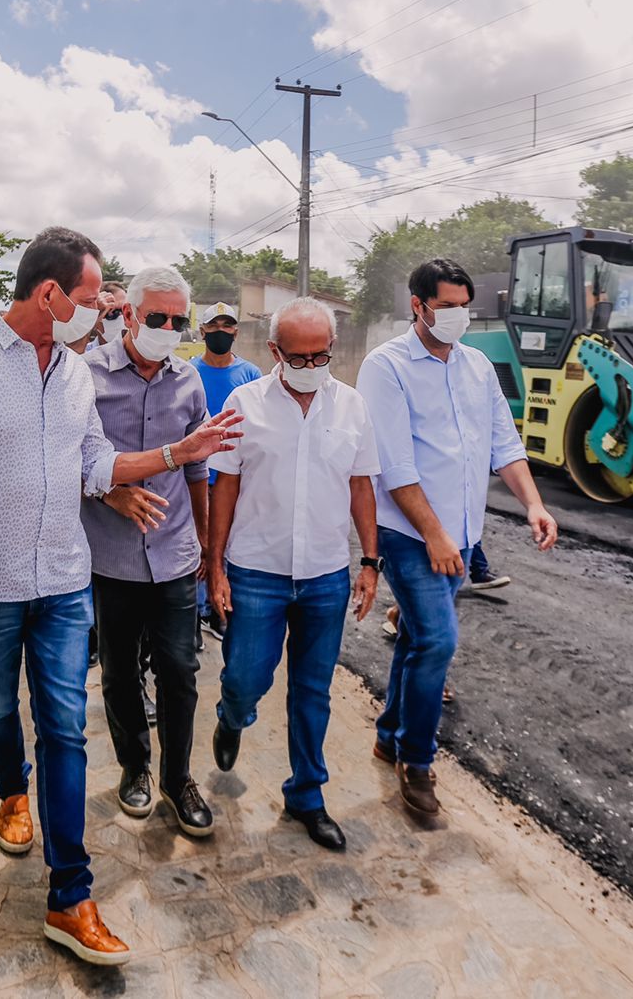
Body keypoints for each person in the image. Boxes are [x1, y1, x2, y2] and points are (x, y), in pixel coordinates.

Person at [0, 226, 241, 967]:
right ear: (50, 293)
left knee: (64, 729)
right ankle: (9, 791)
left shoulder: (70, 372)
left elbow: (95, 461)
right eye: (94, 300)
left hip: (64, 583)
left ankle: (70, 896)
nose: (102, 314)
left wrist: (175, 455)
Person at [357, 258, 558, 818]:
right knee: (439, 642)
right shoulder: (386, 366)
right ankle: (416, 762)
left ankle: (390, 733)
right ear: (417, 306)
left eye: (463, 306)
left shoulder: (478, 367)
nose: (457, 316)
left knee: (420, 639)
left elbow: (504, 444)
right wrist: (437, 536)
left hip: (462, 535)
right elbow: (394, 468)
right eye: (445, 307)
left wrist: (534, 505)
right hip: (409, 535)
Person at [207, 298, 381, 850]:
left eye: (321, 355)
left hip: (325, 574)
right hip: (256, 570)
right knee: (244, 679)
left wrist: (371, 563)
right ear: (275, 351)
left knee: (313, 690)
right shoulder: (244, 403)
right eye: (299, 356)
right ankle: (232, 717)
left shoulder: (351, 407)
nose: (311, 366)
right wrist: (214, 566)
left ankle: (307, 793)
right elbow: (225, 487)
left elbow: (361, 486)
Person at [82, 266, 215, 837]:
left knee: (180, 672)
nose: (167, 327)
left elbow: (198, 467)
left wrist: (207, 542)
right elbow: (66, 457)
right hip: (111, 556)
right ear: (129, 314)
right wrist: (111, 493)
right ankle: (134, 766)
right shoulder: (84, 376)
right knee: (117, 672)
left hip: (175, 553)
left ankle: (177, 775)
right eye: (156, 317)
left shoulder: (188, 381)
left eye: (178, 319)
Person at [190, 302, 262, 641]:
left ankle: (219, 606)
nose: (221, 331)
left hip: (234, 477)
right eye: (214, 325)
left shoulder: (251, 374)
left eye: (228, 325)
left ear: (236, 330)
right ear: (202, 331)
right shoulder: (187, 371)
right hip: (197, 476)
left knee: (227, 543)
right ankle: (196, 611)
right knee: (196, 545)